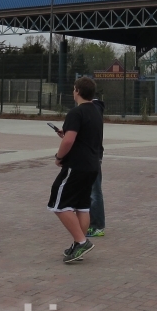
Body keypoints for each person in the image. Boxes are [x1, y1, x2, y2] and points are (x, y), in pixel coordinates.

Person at [48, 76, 103, 263]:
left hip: (77, 165)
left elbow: (69, 140)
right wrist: (67, 134)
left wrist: (59, 157)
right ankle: (77, 245)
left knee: (58, 203)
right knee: (82, 206)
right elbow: (81, 136)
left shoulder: (76, 113)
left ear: (77, 91)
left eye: (74, 89)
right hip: (93, 165)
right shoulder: (96, 111)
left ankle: (82, 241)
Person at [86, 96, 106, 238]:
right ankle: (92, 222)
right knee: (91, 191)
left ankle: (98, 225)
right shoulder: (95, 110)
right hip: (93, 155)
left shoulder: (93, 111)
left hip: (92, 156)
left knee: (95, 191)